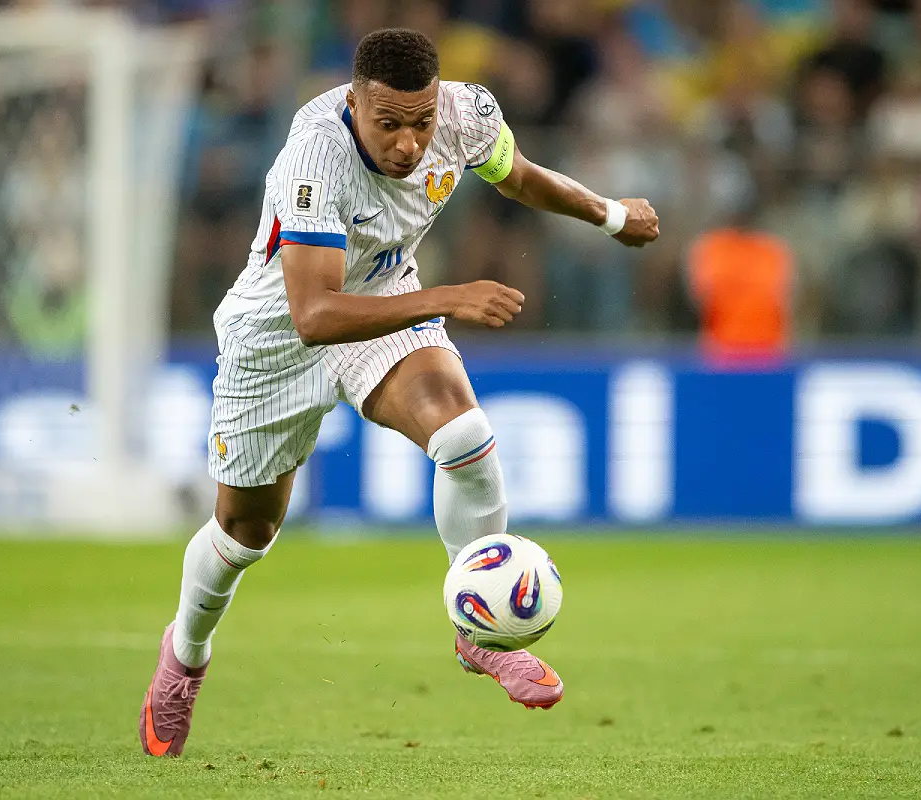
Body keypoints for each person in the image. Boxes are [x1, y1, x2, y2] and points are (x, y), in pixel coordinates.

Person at [140, 28, 659, 757]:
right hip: (278, 340)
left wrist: (607, 213)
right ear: (354, 104)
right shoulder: (314, 159)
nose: (410, 144)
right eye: (389, 124)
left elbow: (516, 175)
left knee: (465, 437)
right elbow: (315, 315)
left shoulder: (464, 113)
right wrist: (450, 296)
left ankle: (477, 633)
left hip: (385, 301)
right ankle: (185, 657)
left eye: (420, 122)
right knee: (243, 535)